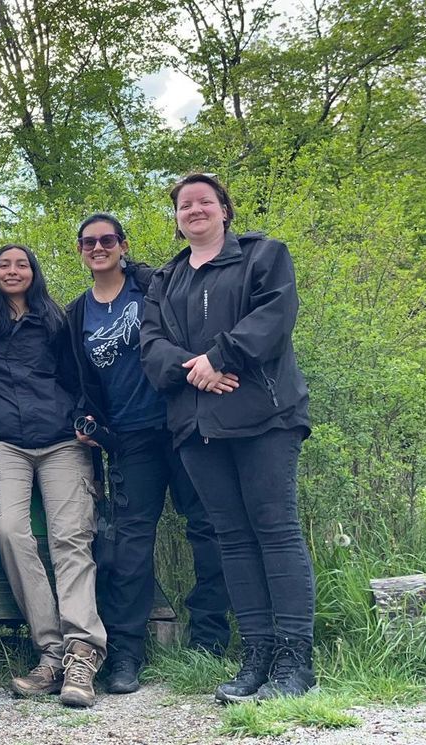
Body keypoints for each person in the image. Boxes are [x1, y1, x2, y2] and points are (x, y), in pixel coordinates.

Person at [140, 172, 315, 702]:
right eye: (183, 205)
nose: (193, 210)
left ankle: (294, 661)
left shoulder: (264, 255)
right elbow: (150, 345)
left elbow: (275, 316)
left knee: (275, 529)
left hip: (264, 417)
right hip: (197, 426)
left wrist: (221, 355)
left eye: (203, 202)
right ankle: (257, 653)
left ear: (223, 209)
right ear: (176, 218)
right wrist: (199, 369)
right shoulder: (165, 279)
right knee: (232, 538)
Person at [66, 212, 231, 695]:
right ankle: (126, 654)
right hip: (129, 438)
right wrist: (87, 422)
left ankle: (209, 640)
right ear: (80, 251)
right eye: (89, 242)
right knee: (131, 543)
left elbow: (191, 336)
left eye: (107, 240)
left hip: (179, 424)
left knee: (205, 528)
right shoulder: (78, 313)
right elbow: (78, 378)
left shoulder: (154, 285)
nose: (99, 248)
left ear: (123, 244)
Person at [0, 244, 105, 708]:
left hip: (61, 443)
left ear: (35, 272)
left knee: (71, 537)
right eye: (3, 265)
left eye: (22, 264)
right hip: (1, 444)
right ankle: (51, 653)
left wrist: (87, 424)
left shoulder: (57, 319)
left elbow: (84, 379)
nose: (12, 271)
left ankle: (83, 653)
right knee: (11, 531)